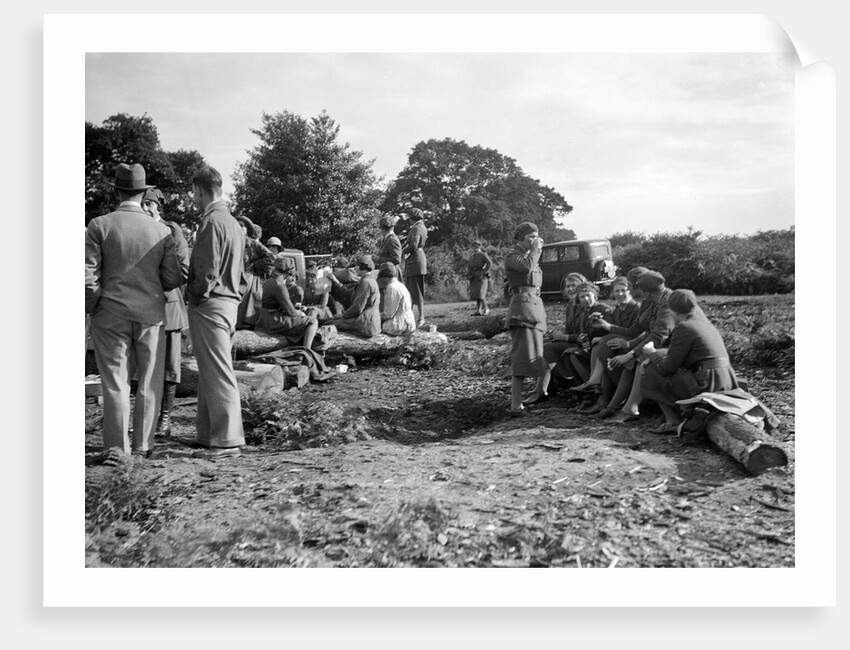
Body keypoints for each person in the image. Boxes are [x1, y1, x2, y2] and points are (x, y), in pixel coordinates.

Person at [85, 163, 181, 459]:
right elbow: (172, 279)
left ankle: (116, 448)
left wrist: (95, 307)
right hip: (151, 316)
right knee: (150, 381)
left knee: (115, 382)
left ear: (116, 191)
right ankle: (143, 446)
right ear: (143, 193)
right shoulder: (162, 230)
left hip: (109, 315)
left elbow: (87, 278)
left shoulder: (99, 225)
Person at [185, 165, 246, 459]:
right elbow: (242, 275)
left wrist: (194, 297)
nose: (193, 198)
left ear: (198, 190)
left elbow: (206, 273)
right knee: (211, 370)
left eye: (193, 193)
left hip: (210, 304)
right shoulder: (234, 223)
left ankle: (228, 440)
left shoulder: (211, 223)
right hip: (229, 303)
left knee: (218, 372)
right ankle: (210, 434)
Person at [640, 289, 740, 434]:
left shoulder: (684, 327)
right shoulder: (703, 323)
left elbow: (667, 368)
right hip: (724, 378)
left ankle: (673, 421)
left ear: (672, 310)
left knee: (652, 370)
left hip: (707, 382)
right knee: (659, 364)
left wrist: (651, 354)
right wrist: (658, 354)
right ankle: (682, 414)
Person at [141, 188, 190, 436]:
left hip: (168, 306)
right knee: (145, 365)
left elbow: (183, 270)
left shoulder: (171, 230)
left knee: (169, 367)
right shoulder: (136, 229)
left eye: (150, 203)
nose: (146, 208)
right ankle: (145, 418)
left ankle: (165, 419)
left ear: (159, 207)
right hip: (140, 306)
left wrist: (152, 281)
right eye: (142, 203)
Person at [524, 280, 610, 405]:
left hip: (595, 346)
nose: (571, 290)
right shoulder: (574, 307)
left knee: (566, 352)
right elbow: (577, 332)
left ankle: (587, 389)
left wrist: (567, 337)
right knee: (544, 346)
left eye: (574, 287)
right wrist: (559, 335)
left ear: (594, 295)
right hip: (583, 343)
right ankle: (547, 388)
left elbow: (595, 334)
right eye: (568, 287)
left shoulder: (599, 309)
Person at [607, 270, 675, 423]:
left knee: (642, 357)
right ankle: (613, 405)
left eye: (631, 286)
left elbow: (658, 336)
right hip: (661, 345)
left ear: (645, 291)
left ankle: (631, 409)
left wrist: (631, 353)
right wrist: (630, 350)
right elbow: (641, 330)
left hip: (676, 348)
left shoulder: (667, 302)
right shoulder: (652, 301)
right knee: (633, 358)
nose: (629, 290)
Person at [573, 275, 641, 414]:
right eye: (617, 291)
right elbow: (614, 330)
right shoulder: (617, 310)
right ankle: (599, 397)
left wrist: (607, 327)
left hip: (631, 348)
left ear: (630, 291)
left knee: (603, 352)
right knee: (600, 349)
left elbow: (635, 333)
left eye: (623, 290)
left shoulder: (636, 309)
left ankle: (598, 392)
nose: (620, 294)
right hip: (617, 347)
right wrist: (601, 327)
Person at [504, 222, 547, 417]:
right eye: (530, 237)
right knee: (521, 357)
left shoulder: (532, 256)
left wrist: (535, 252)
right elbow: (526, 267)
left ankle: (541, 391)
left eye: (536, 236)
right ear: (519, 238)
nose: (534, 240)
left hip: (535, 308)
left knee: (539, 353)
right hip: (522, 311)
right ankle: (516, 405)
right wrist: (535, 250)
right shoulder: (514, 256)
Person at [255, 256, 319, 349]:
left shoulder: (268, 282)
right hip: (274, 321)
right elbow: (291, 312)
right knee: (312, 321)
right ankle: (306, 352)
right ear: (289, 272)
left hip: (264, 319)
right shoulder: (279, 285)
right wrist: (300, 313)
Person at [235, 215, 275, 330]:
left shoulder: (253, 245)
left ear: (247, 229)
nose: (240, 227)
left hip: (249, 283)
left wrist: (254, 266)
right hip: (232, 281)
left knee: (245, 317)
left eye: (242, 226)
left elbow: (271, 258)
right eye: (237, 225)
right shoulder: (229, 242)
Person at [327, 255, 381, 337]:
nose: (354, 268)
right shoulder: (366, 280)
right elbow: (349, 294)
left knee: (328, 323)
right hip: (367, 322)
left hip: (365, 324)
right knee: (330, 320)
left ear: (362, 267)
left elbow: (358, 308)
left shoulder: (366, 283)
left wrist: (342, 315)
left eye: (357, 266)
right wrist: (335, 281)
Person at [401, 207, 428, 327]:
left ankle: (420, 318)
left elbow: (413, 245)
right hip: (417, 260)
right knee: (414, 290)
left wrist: (402, 251)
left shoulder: (417, 228)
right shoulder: (422, 227)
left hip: (415, 260)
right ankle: (414, 317)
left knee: (415, 290)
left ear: (413, 218)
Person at [376, 262, 416, 335]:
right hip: (408, 322)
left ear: (384, 277)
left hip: (400, 325)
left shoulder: (392, 288)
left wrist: (374, 317)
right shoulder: (400, 285)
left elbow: (388, 314)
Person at [467, 241, 493, 316]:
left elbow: (489, 263)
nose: (475, 249)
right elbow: (469, 266)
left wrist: (483, 271)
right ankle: (479, 310)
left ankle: (486, 309)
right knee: (476, 295)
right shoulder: (472, 257)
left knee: (481, 293)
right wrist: (469, 274)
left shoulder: (483, 255)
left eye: (476, 247)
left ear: (479, 247)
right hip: (474, 276)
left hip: (482, 277)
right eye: (473, 247)